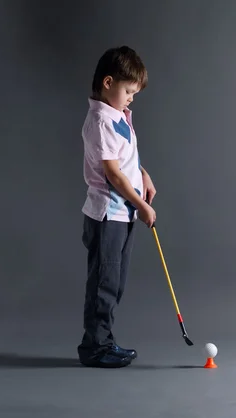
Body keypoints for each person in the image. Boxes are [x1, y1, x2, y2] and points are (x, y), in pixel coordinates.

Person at [77, 46, 157, 368]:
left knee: (116, 281)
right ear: (108, 83)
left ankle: (105, 341)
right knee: (104, 283)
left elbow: (127, 159)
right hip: (108, 214)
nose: (131, 99)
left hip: (123, 214)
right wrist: (141, 205)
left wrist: (144, 175)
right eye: (128, 91)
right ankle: (95, 348)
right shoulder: (100, 121)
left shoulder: (119, 115)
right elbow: (112, 173)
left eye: (135, 93)